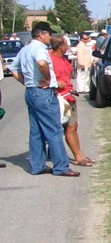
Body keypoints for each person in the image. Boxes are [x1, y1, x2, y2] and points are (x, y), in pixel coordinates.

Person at [10, 21, 79, 176]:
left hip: (31, 91)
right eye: (48, 34)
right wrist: (48, 78)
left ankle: (37, 165)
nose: (50, 37)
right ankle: (61, 166)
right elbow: (41, 63)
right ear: (40, 34)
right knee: (54, 130)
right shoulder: (39, 49)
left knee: (36, 131)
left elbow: (13, 69)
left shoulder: (25, 49)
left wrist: (27, 82)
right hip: (44, 93)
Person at [50, 34, 95, 167]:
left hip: (69, 95)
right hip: (61, 98)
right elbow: (47, 77)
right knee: (69, 127)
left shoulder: (64, 59)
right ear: (61, 46)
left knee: (74, 126)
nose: (69, 47)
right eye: (66, 45)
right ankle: (77, 157)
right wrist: (56, 84)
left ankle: (80, 154)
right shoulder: (51, 60)